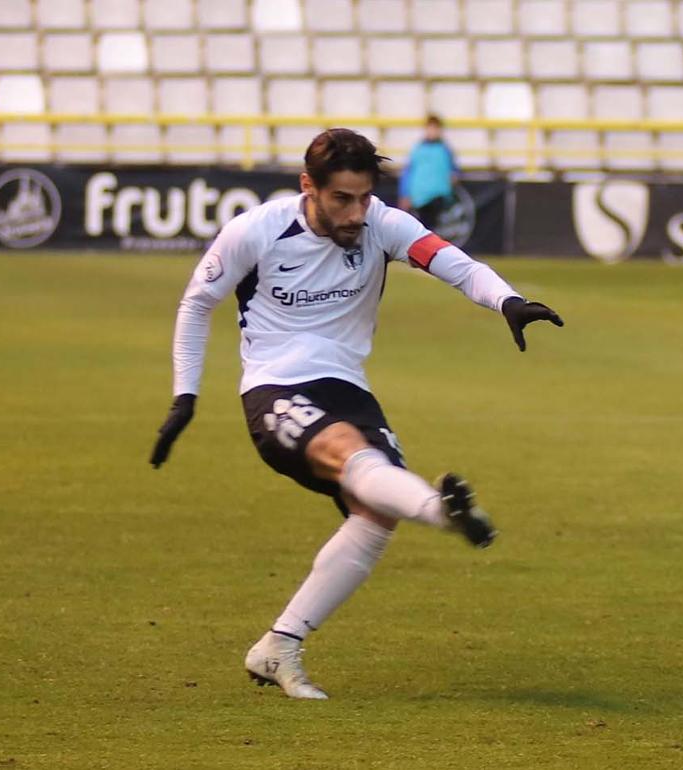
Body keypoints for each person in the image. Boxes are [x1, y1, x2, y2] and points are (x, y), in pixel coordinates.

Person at [149, 128, 563, 700]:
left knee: (374, 513)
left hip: (347, 387)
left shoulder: (384, 225)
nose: (356, 211)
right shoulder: (257, 231)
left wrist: (508, 301)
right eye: (342, 198)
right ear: (308, 187)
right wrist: (184, 395)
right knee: (354, 456)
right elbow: (197, 304)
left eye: (364, 197)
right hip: (275, 387)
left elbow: (454, 264)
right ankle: (441, 512)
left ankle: (279, 646)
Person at [398, 114, 458, 231]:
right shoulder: (417, 149)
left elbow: (454, 169)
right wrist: (405, 194)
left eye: (436, 128)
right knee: (425, 226)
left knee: (432, 225)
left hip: (438, 194)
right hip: (420, 195)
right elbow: (408, 172)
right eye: (430, 128)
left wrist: (453, 177)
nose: (433, 132)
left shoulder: (445, 149)